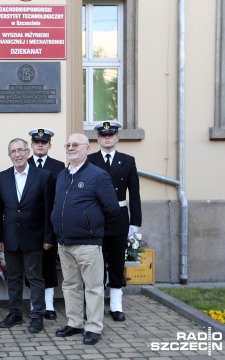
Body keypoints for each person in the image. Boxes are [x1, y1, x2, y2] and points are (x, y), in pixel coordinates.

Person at [51, 133, 120, 345]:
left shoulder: (98, 175)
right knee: (70, 285)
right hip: (64, 242)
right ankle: (74, 322)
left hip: (88, 244)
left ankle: (93, 327)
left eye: (75, 145)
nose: (71, 148)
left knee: (93, 287)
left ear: (86, 148)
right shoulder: (62, 175)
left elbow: (112, 209)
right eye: (68, 145)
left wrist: (93, 228)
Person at [0, 138, 54, 333]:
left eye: (21, 150)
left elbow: (48, 210)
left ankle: (37, 315)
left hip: (34, 237)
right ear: (9, 155)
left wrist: (48, 237)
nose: (17, 154)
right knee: (14, 277)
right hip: (10, 237)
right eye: (13, 151)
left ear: (28, 152)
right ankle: (15, 313)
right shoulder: (1, 177)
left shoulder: (44, 176)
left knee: (35, 277)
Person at [88, 121, 142, 322]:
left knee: (117, 261)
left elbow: (134, 193)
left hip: (119, 217)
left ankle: (116, 305)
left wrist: (134, 222)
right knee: (96, 262)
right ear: (98, 139)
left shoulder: (127, 161)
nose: (107, 138)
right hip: (96, 216)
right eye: (103, 135)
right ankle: (96, 304)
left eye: (111, 135)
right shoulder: (90, 160)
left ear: (117, 138)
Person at [27, 128, 65, 320]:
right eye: (37, 142)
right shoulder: (24, 164)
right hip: (28, 225)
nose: (40, 145)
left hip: (49, 222)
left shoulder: (58, 167)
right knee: (31, 265)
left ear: (50, 145)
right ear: (31, 145)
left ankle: (48, 304)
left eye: (44, 142)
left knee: (48, 263)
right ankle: (35, 303)